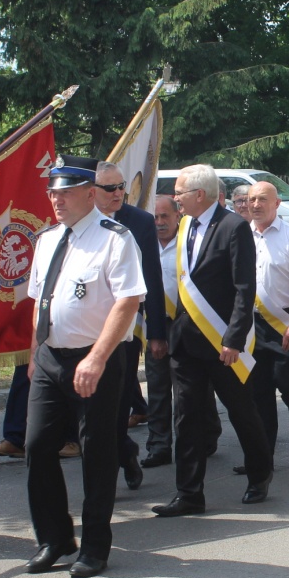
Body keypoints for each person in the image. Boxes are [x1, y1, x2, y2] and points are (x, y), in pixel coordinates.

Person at [23, 157, 147, 578]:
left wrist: (97, 357)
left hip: (96, 359)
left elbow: (128, 301)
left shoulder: (115, 238)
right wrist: (34, 352)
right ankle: (55, 538)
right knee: (38, 446)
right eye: (52, 193)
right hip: (50, 357)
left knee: (96, 451)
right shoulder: (47, 239)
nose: (56, 200)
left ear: (89, 194)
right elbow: (40, 301)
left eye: (65, 193)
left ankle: (94, 546)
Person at [154, 164, 274, 515]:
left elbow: (244, 288)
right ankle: (189, 494)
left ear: (199, 194)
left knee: (241, 410)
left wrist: (234, 338)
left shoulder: (233, 227)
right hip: (185, 342)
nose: (175, 198)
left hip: (222, 341)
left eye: (179, 192)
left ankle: (259, 473)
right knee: (186, 417)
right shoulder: (185, 225)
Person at [93, 162, 166, 492]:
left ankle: (111, 471)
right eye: (110, 188)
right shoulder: (74, 223)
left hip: (125, 331)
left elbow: (152, 277)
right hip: (84, 329)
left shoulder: (139, 222)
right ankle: (123, 451)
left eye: (121, 186)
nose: (119, 193)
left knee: (117, 402)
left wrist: (156, 332)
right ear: (91, 191)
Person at [141, 195, 221, 468]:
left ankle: (206, 435)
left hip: (188, 324)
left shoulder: (190, 243)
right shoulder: (143, 246)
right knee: (157, 386)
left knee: (193, 387)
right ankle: (159, 446)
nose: (159, 222)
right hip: (156, 324)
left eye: (165, 216)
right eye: (155, 217)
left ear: (178, 216)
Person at [246, 181, 289, 466]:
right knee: (259, 393)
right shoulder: (242, 236)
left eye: (262, 199)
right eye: (251, 199)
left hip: (283, 323)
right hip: (251, 326)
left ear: (276, 203)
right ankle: (265, 456)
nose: (256, 204)